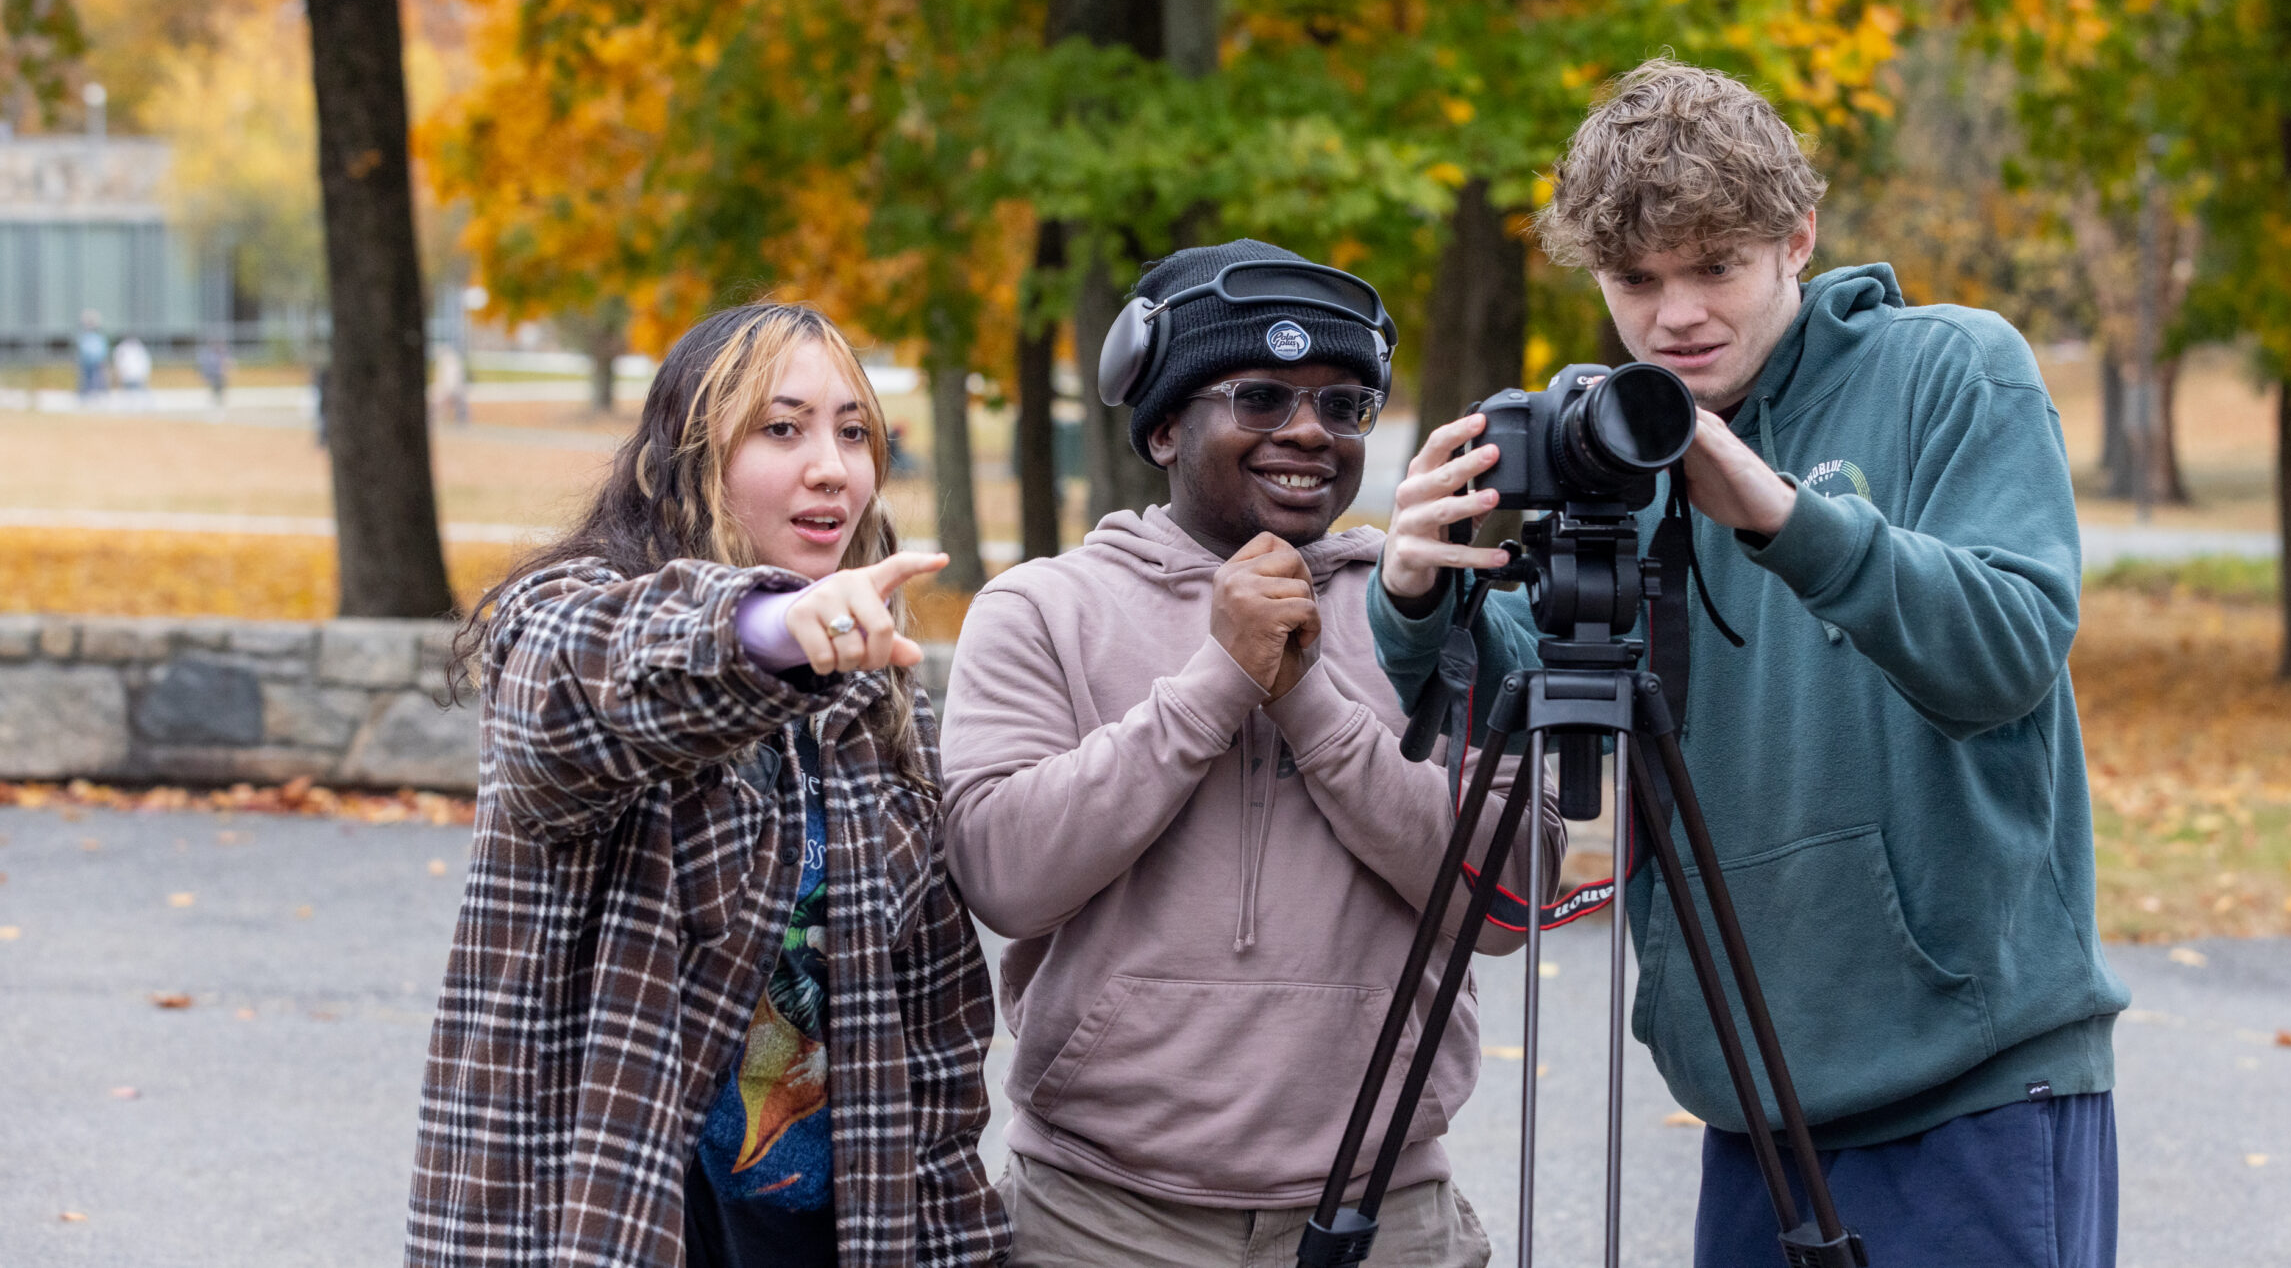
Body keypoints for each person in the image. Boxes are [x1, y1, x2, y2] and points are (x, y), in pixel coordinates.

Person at [1372, 60, 2126, 1268]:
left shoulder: (1950, 368)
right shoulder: (1629, 446)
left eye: (1714, 266)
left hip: (1975, 1086)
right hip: (1752, 1101)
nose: (1675, 316)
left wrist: (1785, 518)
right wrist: (1416, 596)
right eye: (1636, 280)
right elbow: (1527, 693)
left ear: (1797, 238)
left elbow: (2007, 651)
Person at [939, 241, 1560, 1268]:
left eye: (1343, 405)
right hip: (1099, 1219)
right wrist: (1217, 681)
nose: (1309, 431)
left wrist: (1309, 703)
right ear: (1164, 426)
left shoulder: (1427, 611)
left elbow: (1510, 899)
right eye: (1261, 396)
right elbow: (1002, 875)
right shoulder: (1042, 609)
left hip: (1383, 1215)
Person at [408, 301, 1008, 1268]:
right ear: (684, 459)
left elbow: (932, 1023)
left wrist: (955, 1239)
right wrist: (766, 632)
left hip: (829, 1231)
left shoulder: (878, 691)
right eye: (782, 428)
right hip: (610, 1217)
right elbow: (588, 679)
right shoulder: (570, 619)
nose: (832, 466)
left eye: (854, 431)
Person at [74, 311, 108, 400]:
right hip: (86, 362)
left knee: (97, 380)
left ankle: (97, 396)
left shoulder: (98, 336)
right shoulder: (84, 336)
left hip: (96, 362)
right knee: (85, 380)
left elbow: (101, 351)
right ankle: (84, 396)